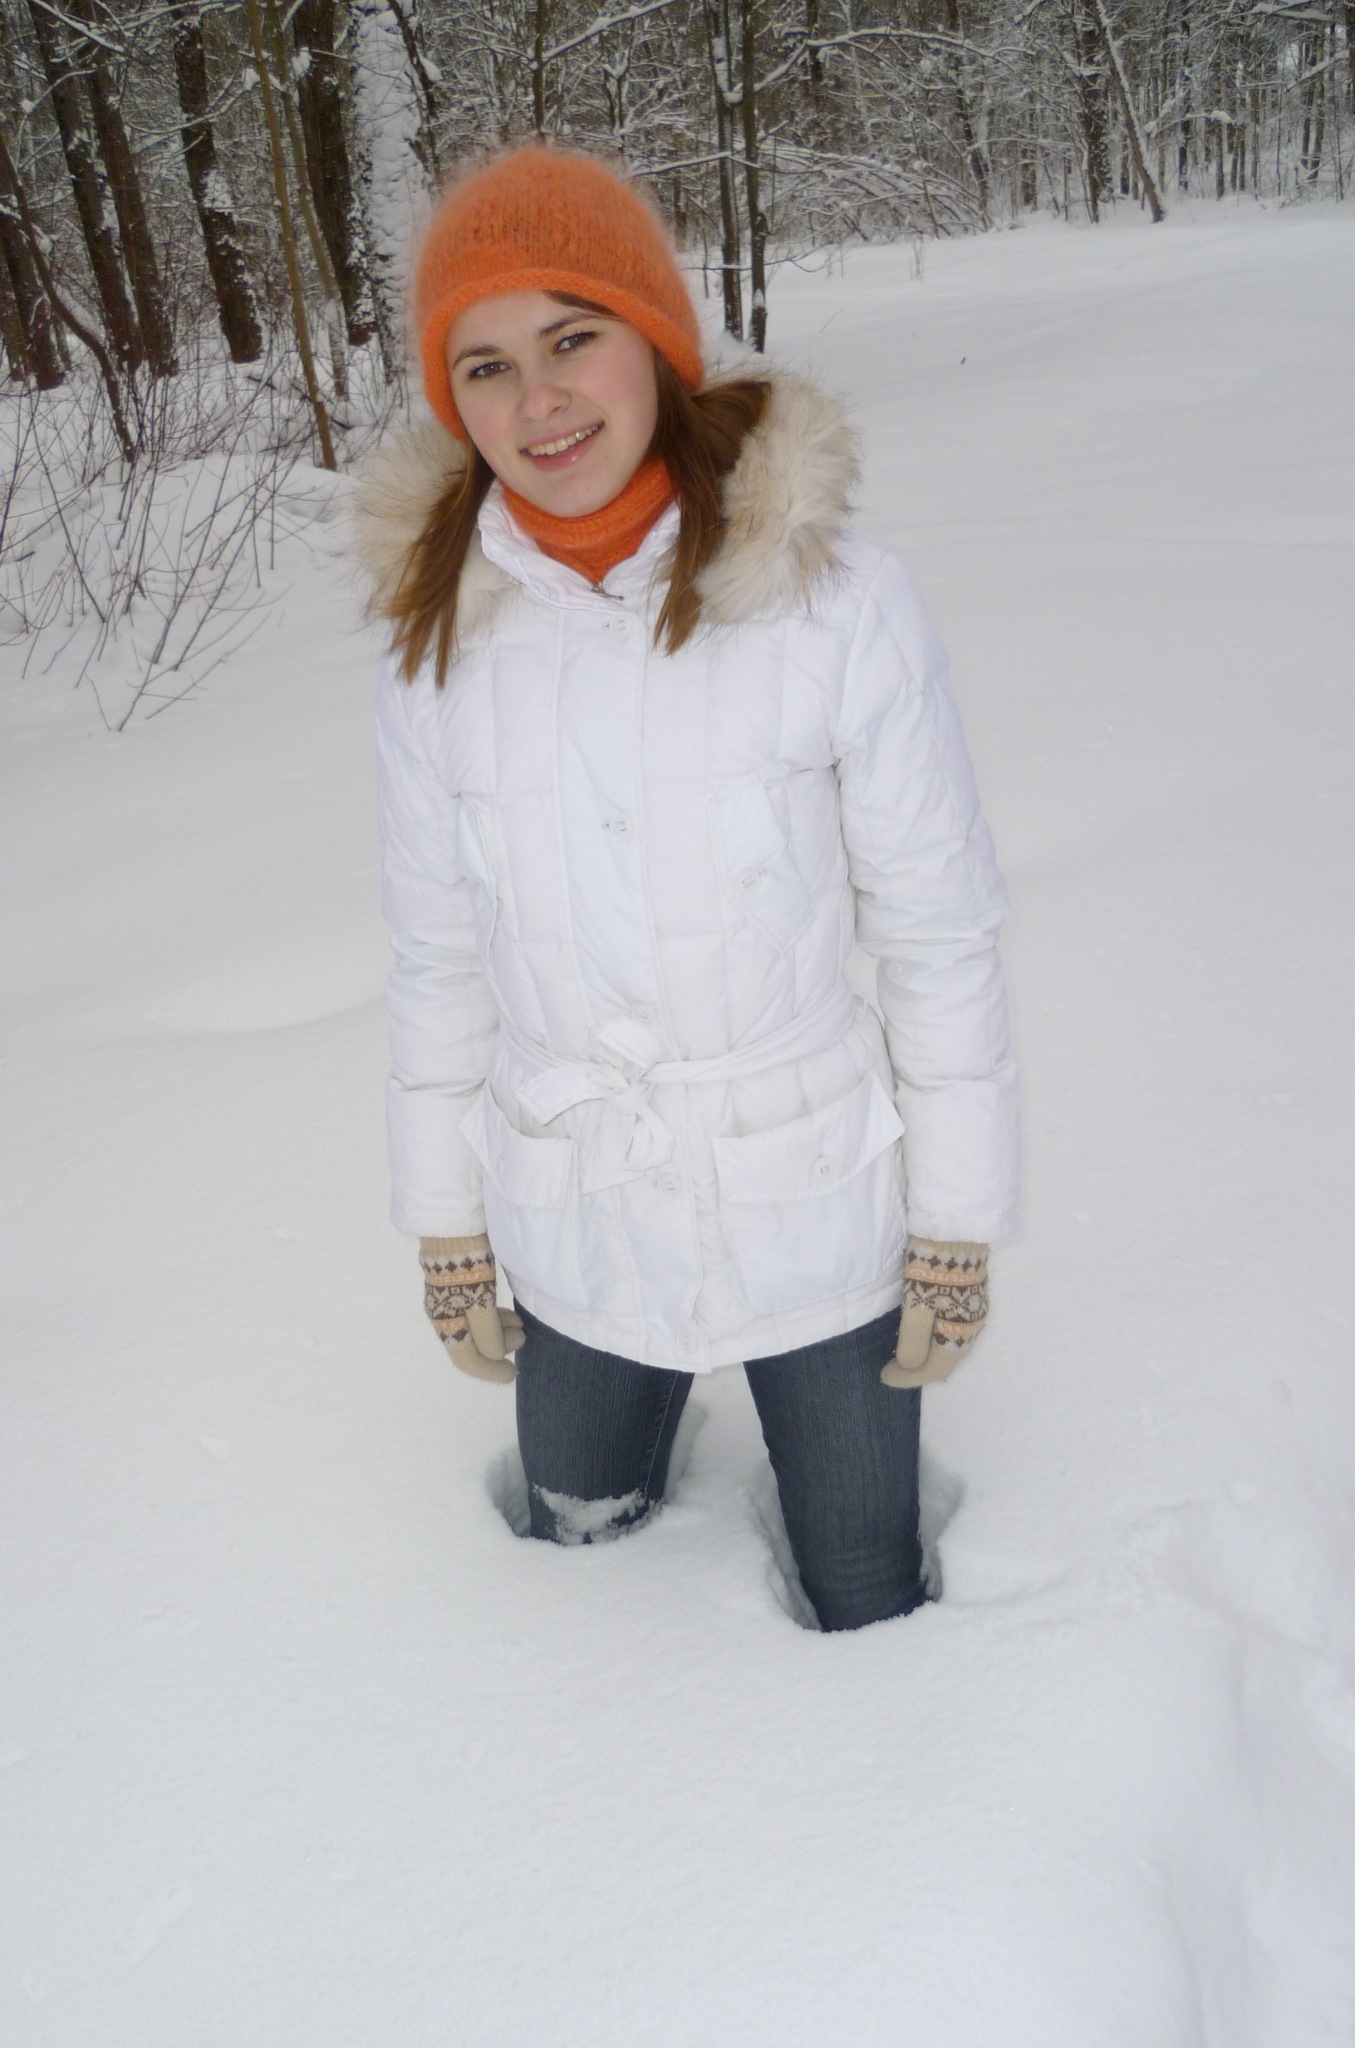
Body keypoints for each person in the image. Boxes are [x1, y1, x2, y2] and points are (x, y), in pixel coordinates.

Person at [353, 146, 1019, 1632]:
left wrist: (953, 1222)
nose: (540, 401)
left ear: (654, 340)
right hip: (578, 1203)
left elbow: (937, 931)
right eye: (485, 364)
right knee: (575, 1556)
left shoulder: (833, 601)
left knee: (865, 1588)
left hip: (809, 1193)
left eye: (572, 336)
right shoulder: (437, 641)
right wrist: (449, 1226)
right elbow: (438, 956)